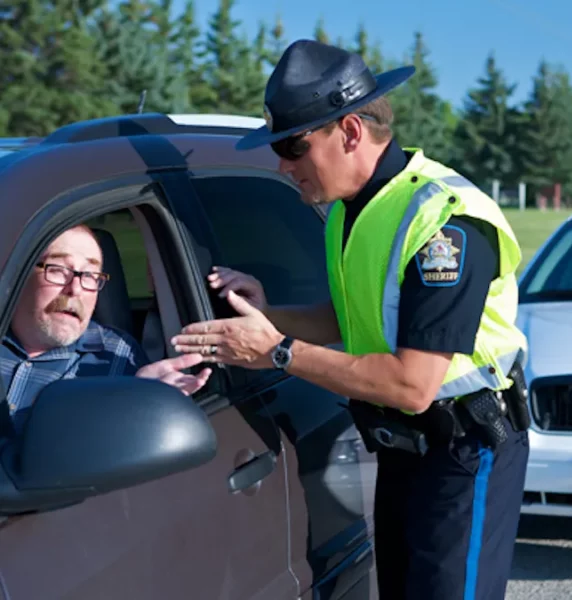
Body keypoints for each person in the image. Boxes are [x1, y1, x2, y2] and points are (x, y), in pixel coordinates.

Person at [171, 39, 531, 600]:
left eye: (293, 145)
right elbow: (351, 321)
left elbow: (413, 385)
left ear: (351, 131)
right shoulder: (349, 208)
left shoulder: (444, 223)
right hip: (405, 452)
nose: (282, 165)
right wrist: (268, 315)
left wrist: (278, 352)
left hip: (464, 452)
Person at [1, 224, 211, 433]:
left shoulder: (118, 356)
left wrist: (141, 403)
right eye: (58, 270)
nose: (75, 289)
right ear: (20, 275)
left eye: (90, 276)